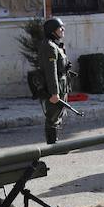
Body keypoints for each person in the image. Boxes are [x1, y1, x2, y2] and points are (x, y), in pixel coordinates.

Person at [35, 17, 71, 145]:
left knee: (58, 115)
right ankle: (52, 144)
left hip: (62, 85)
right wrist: (54, 93)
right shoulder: (49, 47)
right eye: (60, 28)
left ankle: (55, 142)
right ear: (52, 31)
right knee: (52, 116)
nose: (63, 29)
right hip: (55, 87)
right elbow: (51, 72)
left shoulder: (56, 44)